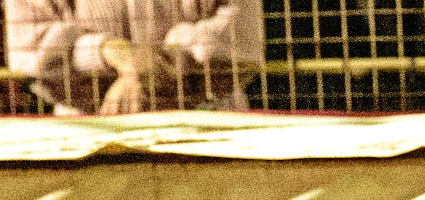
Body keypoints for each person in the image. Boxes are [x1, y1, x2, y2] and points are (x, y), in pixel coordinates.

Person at [4, 0, 261, 114]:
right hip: (90, 136)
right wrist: (109, 52)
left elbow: (242, 36)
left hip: (210, 128)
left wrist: (149, 67)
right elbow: (27, 45)